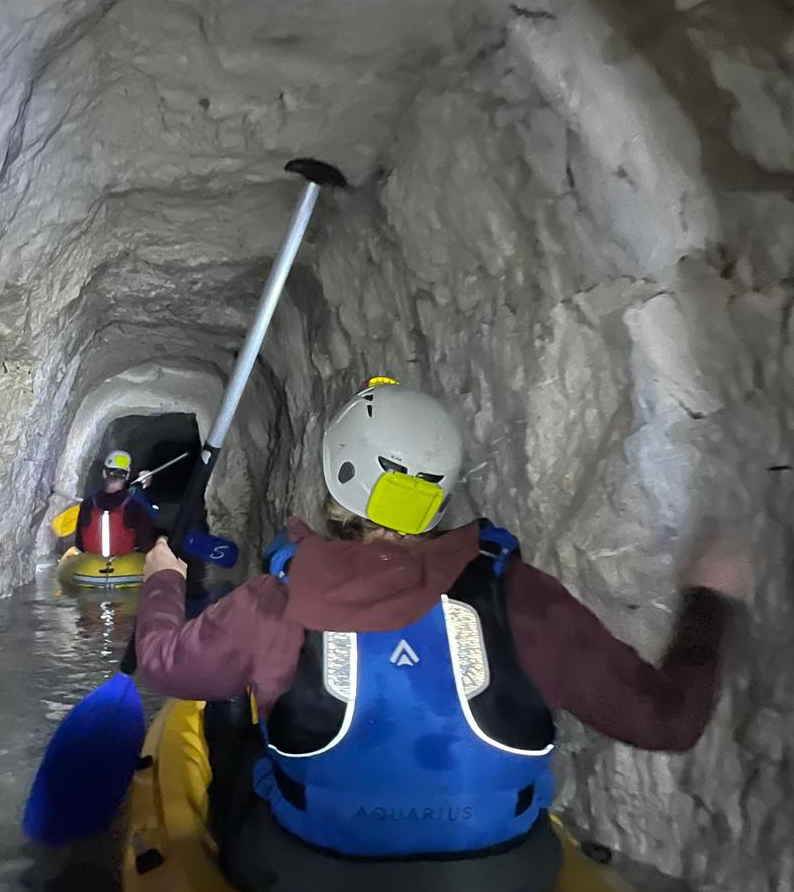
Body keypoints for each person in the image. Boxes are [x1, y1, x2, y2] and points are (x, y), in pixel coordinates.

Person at [132, 378, 750, 892]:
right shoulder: (520, 595)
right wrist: (710, 600)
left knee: (231, 730)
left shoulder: (274, 603)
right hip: (505, 874)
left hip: (307, 871)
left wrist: (163, 581)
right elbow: (672, 720)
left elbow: (161, 664)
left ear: (336, 478)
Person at [74, 450, 157, 557]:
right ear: (126, 476)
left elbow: (79, 544)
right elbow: (146, 545)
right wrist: (143, 491)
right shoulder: (135, 507)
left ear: (104, 473)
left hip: (91, 567)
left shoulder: (87, 504)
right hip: (122, 568)